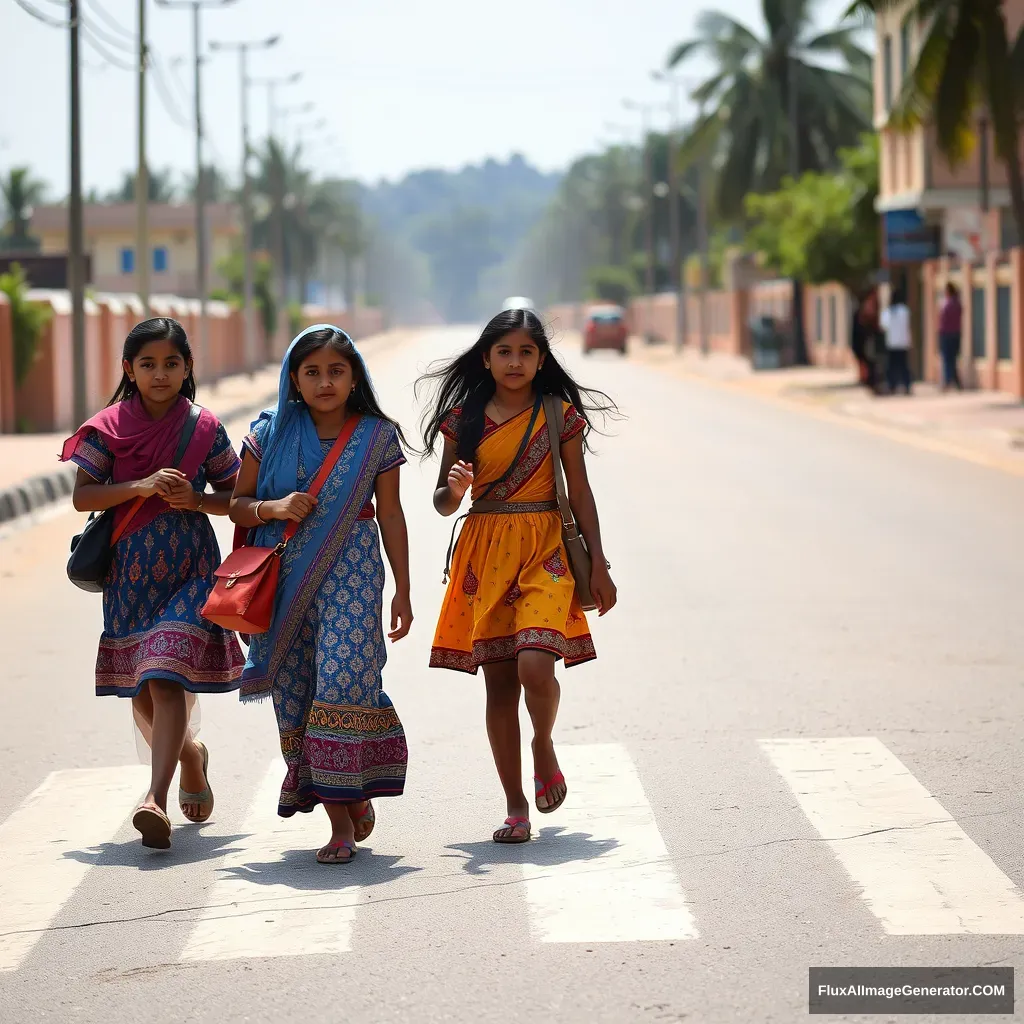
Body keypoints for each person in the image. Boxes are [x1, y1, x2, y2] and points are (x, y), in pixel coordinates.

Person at [418, 308, 618, 845]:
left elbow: (580, 491)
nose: (514, 361)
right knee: (500, 684)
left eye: (526, 352)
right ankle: (514, 804)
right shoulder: (464, 419)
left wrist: (598, 562)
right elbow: (440, 502)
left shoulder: (559, 414)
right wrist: (455, 491)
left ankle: (544, 744)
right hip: (485, 551)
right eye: (504, 351)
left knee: (535, 662)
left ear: (542, 360)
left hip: (547, 549)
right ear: (486, 358)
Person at [229, 325, 411, 865]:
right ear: (295, 378)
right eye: (312, 371)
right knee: (297, 691)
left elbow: (393, 515)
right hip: (283, 579)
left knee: (342, 678)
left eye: (336, 370)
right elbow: (237, 504)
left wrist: (403, 587)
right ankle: (342, 802)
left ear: (354, 376)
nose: (325, 381)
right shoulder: (268, 434)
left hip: (354, 569)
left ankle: (341, 823)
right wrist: (274, 508)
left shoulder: (378, 435)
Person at [61, 317, 244, 850]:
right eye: (147, 364)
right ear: (129, 370)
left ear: (188, 368)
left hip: (190, 571)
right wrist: (140, 486)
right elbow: (83, 496)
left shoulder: (206, 428)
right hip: (129, 576)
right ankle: (191, 755)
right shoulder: (108, 427)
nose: (160, 373)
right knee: (141, 691)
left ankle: (154, 799)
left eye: (171, 363)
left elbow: (236, 498)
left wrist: (196, 500)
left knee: (164, 674)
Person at [881, 287, 913, 395]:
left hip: (892, 343)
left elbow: (883, 326)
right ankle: (907, 386)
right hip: (903, 342)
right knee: (903, 365)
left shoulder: (887, 312)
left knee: (892, 366)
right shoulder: (905, 310)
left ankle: (892, 386)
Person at [850, 288, 882, 393]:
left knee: (872, 364)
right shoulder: (862, 315)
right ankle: (869, 383)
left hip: (870, 346)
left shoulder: (872, 314)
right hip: (865, 345)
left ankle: (872, 384)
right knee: (868, 363)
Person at [938, 282, 963, 390]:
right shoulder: (958, 303)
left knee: (947, 359)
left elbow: (943, 319)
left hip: (946, 334)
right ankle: (956, 381)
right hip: (956, 334)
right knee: (953, 358)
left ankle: (947, 381)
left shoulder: (947, 304)